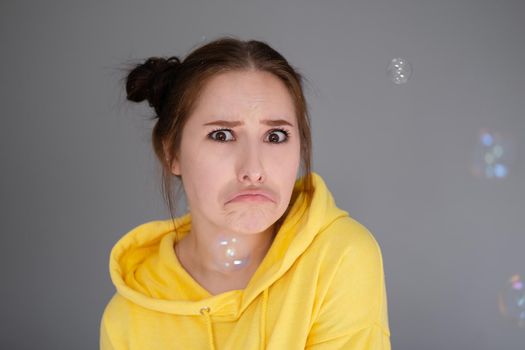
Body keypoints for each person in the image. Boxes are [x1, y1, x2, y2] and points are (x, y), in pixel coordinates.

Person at [99, 37, 391, 349]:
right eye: (222, 135)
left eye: (275, 136)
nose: (253, 169)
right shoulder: (127, 316)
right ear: (172, 153)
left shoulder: (338, 257)